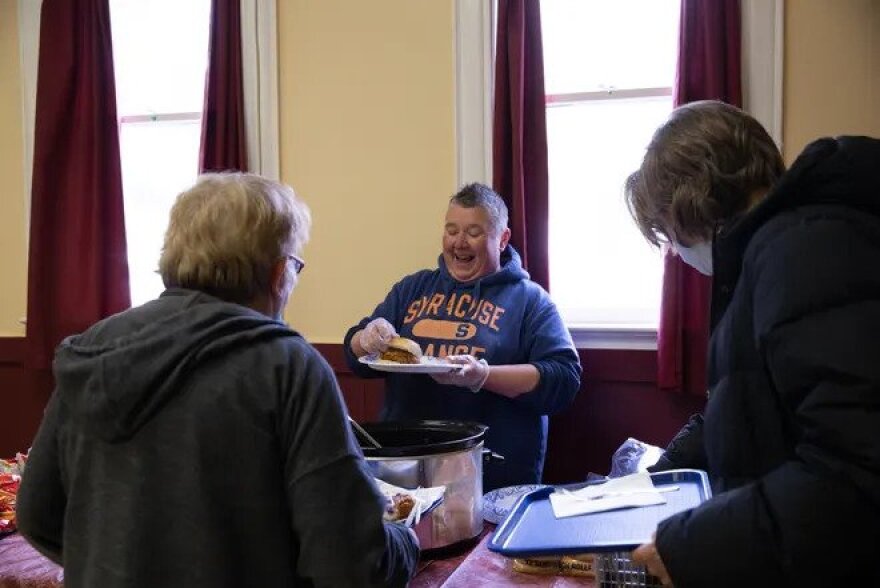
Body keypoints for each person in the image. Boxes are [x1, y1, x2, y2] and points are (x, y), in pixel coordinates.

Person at [16, 173, 419, 588]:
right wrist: (406, 540)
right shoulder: (286, 365)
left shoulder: (93, 348)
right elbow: (350, 560)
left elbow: (38, 514)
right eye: (296, 265)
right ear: (280, 273)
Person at [624, 100, 880, 587]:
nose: (675, 252)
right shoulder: (785, 247)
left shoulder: (806, 251)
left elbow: (854, 469)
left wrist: (693, 546)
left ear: (688, 201)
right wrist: (658, 475)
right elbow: (754, 404)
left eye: (669, 233)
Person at [344, 182, 582, 491]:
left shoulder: (530, 300)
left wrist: (482, 376)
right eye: (451, 230)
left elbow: (564, 378)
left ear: (502, 239)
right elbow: (356, 357)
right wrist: (366, 339)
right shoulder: (412, 289)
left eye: (473, 232)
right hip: (403, 473)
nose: (459, 243)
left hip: (492, 475)